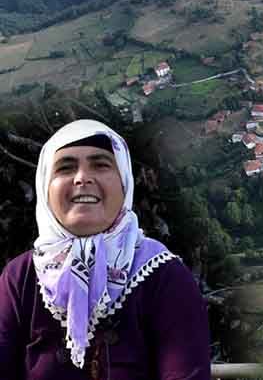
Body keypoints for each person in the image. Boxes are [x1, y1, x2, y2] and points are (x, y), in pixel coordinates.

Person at [0, 120, 211, 379]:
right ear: (45, 187)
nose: (82, 178)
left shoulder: (164, 275)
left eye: (100, 165)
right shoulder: (21, 276)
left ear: (124, 183)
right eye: (65, 167)